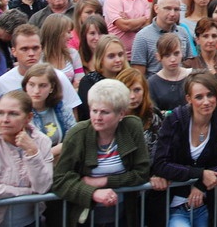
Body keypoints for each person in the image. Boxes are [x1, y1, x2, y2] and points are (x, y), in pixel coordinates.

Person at [52, 79, 150, 227]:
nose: (97, 117)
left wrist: (103, 181)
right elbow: (60, 180)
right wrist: (92, 192)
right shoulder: (77, 134)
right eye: (94, 110)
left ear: (121, 114)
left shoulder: (132, 127)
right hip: (85, 217)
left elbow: (142, 172)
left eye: (105, 112)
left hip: (122, 214)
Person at [152, 71, 217, 227]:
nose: (206, 102)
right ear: (189, 99)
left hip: (209, 206)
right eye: (199, 97)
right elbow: (160, 163)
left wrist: (201, 184)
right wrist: (199, 174)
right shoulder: (175, 121)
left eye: (210, 95)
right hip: (175, 205)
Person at [0, 90, 54, 227]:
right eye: (0, 113)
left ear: (28, 117)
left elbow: (42, 188)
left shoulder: (42, 141)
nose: (5, 119)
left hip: (32, 221)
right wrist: (29, 193)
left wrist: (32, 153)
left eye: (13, 114)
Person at [22, 62, 76, 160]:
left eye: (43, 85)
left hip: (63, 161)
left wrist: (51, 152)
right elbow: (29, 150)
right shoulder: (21, 111)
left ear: (51, 87)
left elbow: (74, 137)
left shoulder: (61, 107)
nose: (36, 91)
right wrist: (57, 150)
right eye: (31, 85)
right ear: (25, 86)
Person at [76, 34, 127, 121]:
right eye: (111, 56)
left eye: (120, 54)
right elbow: (89, 115)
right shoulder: (88, 82)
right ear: (101, 58)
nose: (118, 60)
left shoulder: (129, 78)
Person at [149, 32, 193, 112]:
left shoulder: (192, 75)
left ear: (182, 53)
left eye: (176, 53)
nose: (173, 59)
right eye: (167, 55)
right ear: (158, 57)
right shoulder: (152, 83)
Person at [40, 13, 84, 88]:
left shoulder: (73, 54)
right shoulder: (40, 58)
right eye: (68, 32)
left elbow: (80, 82)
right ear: (56, 34)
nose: (71, 36)